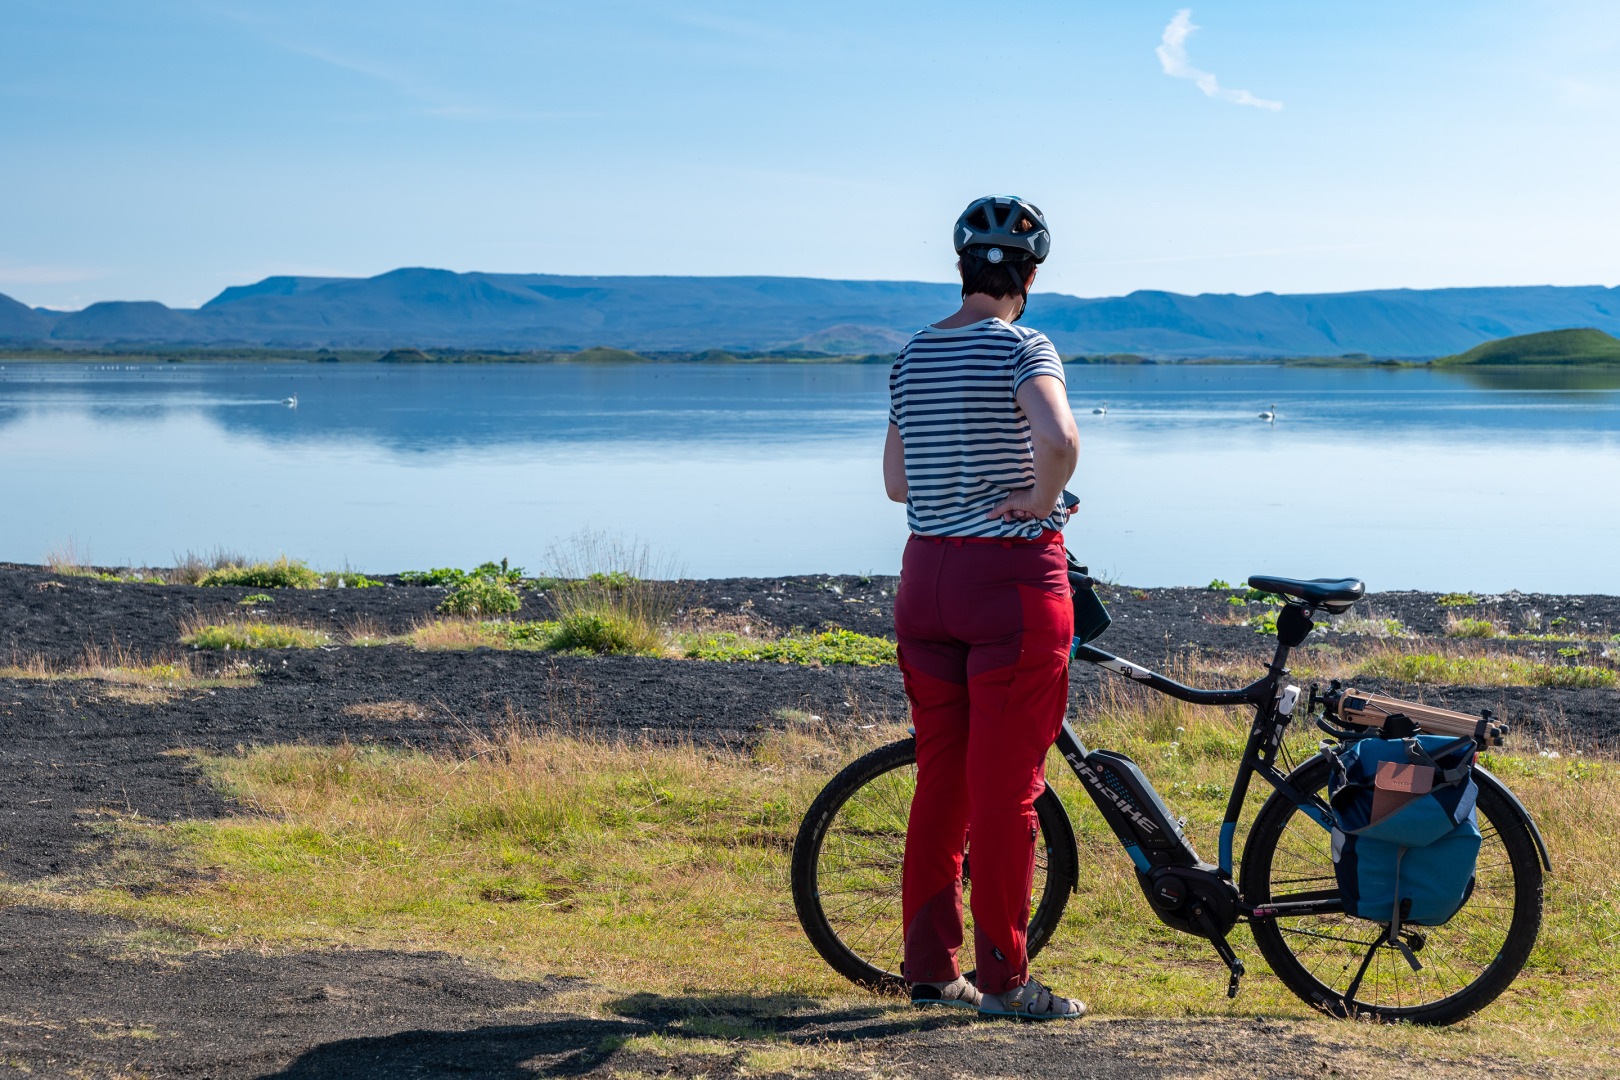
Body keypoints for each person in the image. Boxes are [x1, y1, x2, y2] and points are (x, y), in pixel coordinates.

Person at [883, 195, 1085, 1020]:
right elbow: (1062, 439)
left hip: (924, 578)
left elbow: (897, 484)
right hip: (1008, 583)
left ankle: (932, 969)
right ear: (1030, 275)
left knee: (942, 782)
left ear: (962, 266)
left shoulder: (911, 356)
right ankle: (1005, 982)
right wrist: (1041, 496)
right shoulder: (1023, 347)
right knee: (1009, 791)